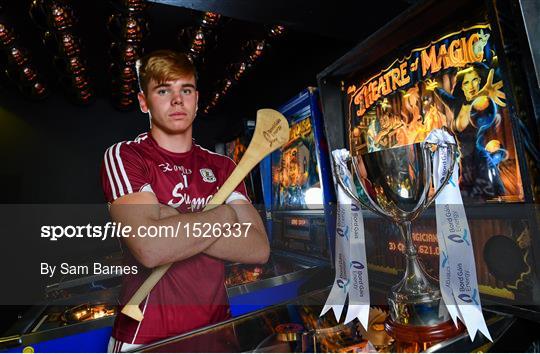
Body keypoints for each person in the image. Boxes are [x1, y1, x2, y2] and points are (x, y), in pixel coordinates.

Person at [100, 49, 270, 352]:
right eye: (163, 90)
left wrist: (171, 218)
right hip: (145, 339)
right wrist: (225, 217)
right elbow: (151, 248)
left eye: (186, 90)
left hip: (217, 333)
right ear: (144, 101)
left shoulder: (223, 167)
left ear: (196, 98)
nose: (177, 100)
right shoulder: (127, 156)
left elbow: (258, 248)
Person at [426, 63, 506, 198]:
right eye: (467, 82)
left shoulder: (481, 103)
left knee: (486, 205)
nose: (471, 86)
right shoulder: (456, 104)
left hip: (480, 163)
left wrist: (485, 95)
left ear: (480, 82)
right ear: (462, 87)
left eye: (475, 80)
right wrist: (434, 88)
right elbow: (444, 95)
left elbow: (484, 106)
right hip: (465, 164)